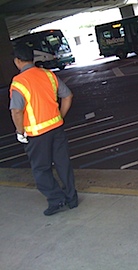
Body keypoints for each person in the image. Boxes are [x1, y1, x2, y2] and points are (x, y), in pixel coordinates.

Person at [9, 44, 78, 216]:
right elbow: (67, 96)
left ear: (17, 61)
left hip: (36, 134)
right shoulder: (48, 74)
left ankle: (56, 199)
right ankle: (72, 198)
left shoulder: (19, 82)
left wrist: (20, 132)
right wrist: (59, 117)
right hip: (57, 128)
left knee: (41, 169)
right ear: (32, 58)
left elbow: (17, 111)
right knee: (63, 164)